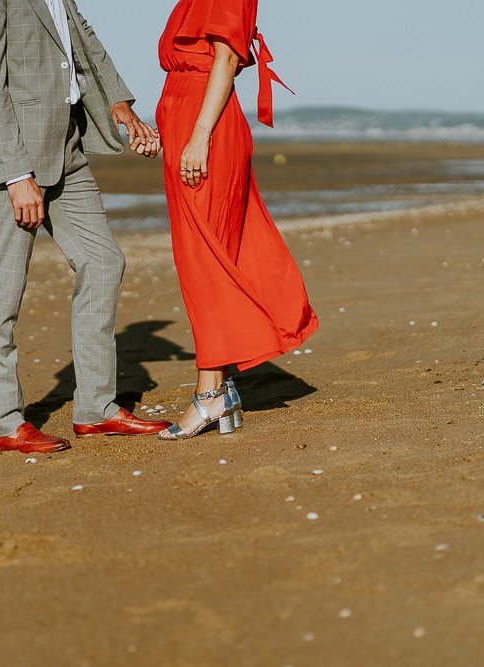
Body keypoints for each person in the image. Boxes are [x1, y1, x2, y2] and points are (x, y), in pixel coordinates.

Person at [0, 0, 172, 454]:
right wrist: (15, 175)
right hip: (12, 157)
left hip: (66, 145)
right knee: (4, 289)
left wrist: (120, 106)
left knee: (103, 261)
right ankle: (2, 423)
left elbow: (80, 35)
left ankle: (96, 409)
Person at [155, 0, 319, 440]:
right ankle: (220, 387)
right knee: (204, 259)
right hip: (185, 120)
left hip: (205, 127)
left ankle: (210, 394)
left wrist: (199, 136)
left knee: (205, 263)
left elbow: (225, 59)